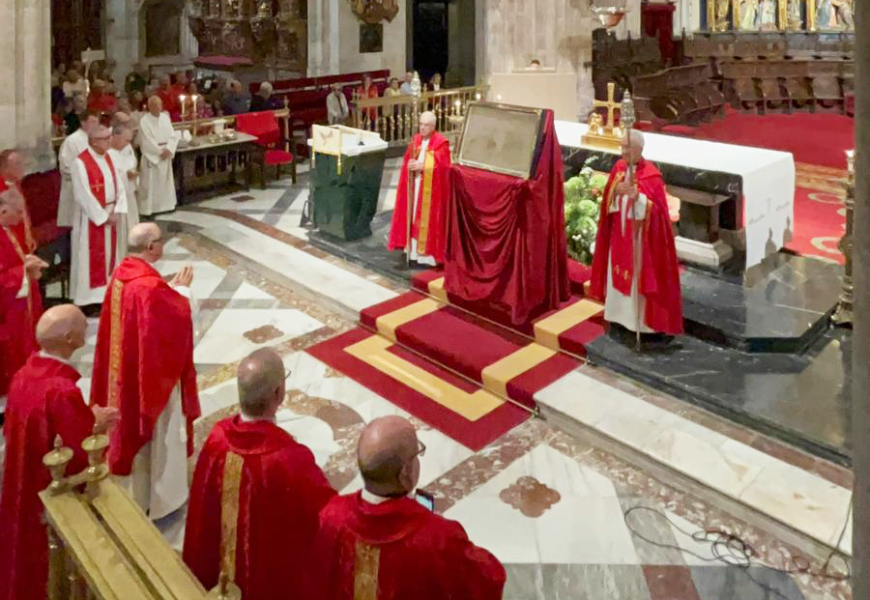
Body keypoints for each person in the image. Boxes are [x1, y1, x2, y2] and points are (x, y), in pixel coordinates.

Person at [183, 348, 336, 600]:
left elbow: (202, 511)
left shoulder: (217, 438)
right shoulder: (289, 459)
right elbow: (328, 520)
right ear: (279, 393)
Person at [311, 416, 506, 600]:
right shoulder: (437, 538)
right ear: (405, 471)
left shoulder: (331, 515)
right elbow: (487, 580)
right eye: (417, 454)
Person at [0, 305, 119, 600]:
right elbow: (79, 454)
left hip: (20, 477)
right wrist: (99, 425)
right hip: (51, 494)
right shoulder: (61, 391)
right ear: (69, 338)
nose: (87, 331)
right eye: (82, 327)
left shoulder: (24, 373)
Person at [90, 222, 200, 521]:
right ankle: (162, 500)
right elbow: (173, 327)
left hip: (126, 369)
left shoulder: (123, 272)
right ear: (151, 247)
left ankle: (135, 491)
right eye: (161, 241)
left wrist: (170, 291)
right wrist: (183, 293)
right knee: (158, 435)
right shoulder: (147, 286)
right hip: (149, 379)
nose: (163, 245)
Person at [589, 130, 683, 341]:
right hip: (618, 235)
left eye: (626, 147)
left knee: (636, 281)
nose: (622, 151)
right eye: (621, 146)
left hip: (640, 241)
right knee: (618, 276)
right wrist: (616, 192)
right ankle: (617, 317)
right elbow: (608, 202)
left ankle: (638, 323)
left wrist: (639, 198)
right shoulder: (619, 169)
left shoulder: (652, 175)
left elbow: (658, 213)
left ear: (639, 150)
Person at [69, 123, 128, 307]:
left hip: (111, 213)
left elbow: (118, 183)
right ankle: (91, 300)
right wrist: (103, 216)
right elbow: (83, 194)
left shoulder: (108, 156)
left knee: (111, 256)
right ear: (94, 142)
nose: (110, 141)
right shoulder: (81, 162)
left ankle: (108, 292)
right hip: (92, 219)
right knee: (92, 258)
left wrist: (118, 208)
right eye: (106, 138)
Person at [0, 187, 46, 412]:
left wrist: (27, 262)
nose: (21, 218)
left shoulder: (5, 229)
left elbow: (10, 262)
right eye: (18, 212)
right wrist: (23, 270)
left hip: (17, 306)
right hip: (5, 315)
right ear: (3, 210)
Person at [387, 111, 451, 266]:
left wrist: (424, 166)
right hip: (414, 186)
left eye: (426, 125)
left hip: (429, 192)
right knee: (413, 215)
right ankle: (413, 251)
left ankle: (426, 255)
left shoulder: (441, 144)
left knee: (425, 220)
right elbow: (408, 159)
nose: (422, 128)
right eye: (421, 124)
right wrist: (409, 164)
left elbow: (445, 168)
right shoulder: (416, 140)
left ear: (433, 126)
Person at [138, 96, 179, 216]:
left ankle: (167, 205)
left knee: (166, 182)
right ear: (149, 106)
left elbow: (172, 135)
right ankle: (149, 209)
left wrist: (169, 149)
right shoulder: (144, 121)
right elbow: (146, 140)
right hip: (154, 156)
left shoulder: (165, 118)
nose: (158, 107)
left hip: (166, 154)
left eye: (159, 105)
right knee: (150, 184)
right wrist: (160, 152)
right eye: (155, 105)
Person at [58, 110, 99, 227]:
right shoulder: (72, 141)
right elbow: (66, 167)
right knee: (77, 226)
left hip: (94, 187)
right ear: (83, 122)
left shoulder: (95, 140)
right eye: (92, 122)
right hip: (76, 189)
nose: (95, 125)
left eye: (97, 122)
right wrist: (86, 174)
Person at [109, 115, 140, 253]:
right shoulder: (107, 151)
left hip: (128, 195)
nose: (128, 144)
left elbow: (132, 161)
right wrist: (125, 175)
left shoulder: (126, 147)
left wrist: (132, 173)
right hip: (115, 201)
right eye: (126, 140)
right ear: (116, 136)